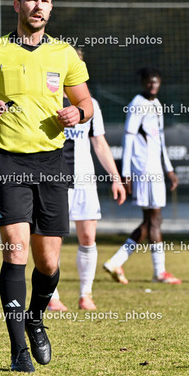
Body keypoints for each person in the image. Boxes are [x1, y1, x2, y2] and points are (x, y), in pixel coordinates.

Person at [0, 0, 94, 373]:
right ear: (17, 5)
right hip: (8, 162)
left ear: (51, 8)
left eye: (45, 1)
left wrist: (77, 112)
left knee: (48, 263)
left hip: (52, 163)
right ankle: (18, 351)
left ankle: (35, 318)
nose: (38, 6)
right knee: (15, 249)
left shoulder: (65, 54)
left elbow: (86, 102)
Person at [47, 49, 126, 312]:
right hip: (55, 181)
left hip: (85, 182)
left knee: (88, 237)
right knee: (52, 240)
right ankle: (52, 297)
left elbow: (99, 143)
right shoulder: (47, 99)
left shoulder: (90, 104)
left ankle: (85, 295)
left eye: (78, 64)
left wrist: (115, 178)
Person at [102, 67, 181, 285]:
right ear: (143, 83)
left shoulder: (157, 104)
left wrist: (169, 168)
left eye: (156, 82)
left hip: (156, 169)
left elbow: (160, 140)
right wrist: (126, 174)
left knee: (152, 219)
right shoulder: (137, 104)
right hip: (144, 170)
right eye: (149, 81)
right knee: (154, 218)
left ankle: (117, 261)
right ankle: (159, 272)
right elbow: (128, 139)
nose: (152, 85)